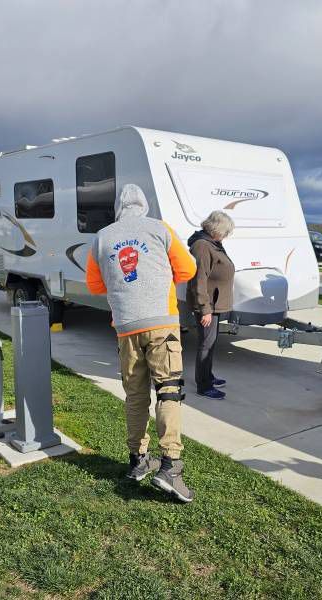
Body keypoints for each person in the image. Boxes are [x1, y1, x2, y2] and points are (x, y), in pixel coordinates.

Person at [86, 184, 197, 503]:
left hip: (125, 327)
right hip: (161, 322)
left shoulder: (102, 237)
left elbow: (95, 286)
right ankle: (171, 466)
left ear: (118, 208)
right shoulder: (159, 228)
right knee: (168, 391)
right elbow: (187, 269)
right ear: (143, 205)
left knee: (135, 396)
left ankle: (138, 460)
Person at [186, 211, 235, 400]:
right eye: (225, 232)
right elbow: (199, 280)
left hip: (215, 304)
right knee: (206, 344)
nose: (226, 235)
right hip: (208, 306)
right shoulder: (202, 246)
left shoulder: (213, 243)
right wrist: (204, 309)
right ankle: (203, 385)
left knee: (211, 343)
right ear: (216, 229)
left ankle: (208, 376)